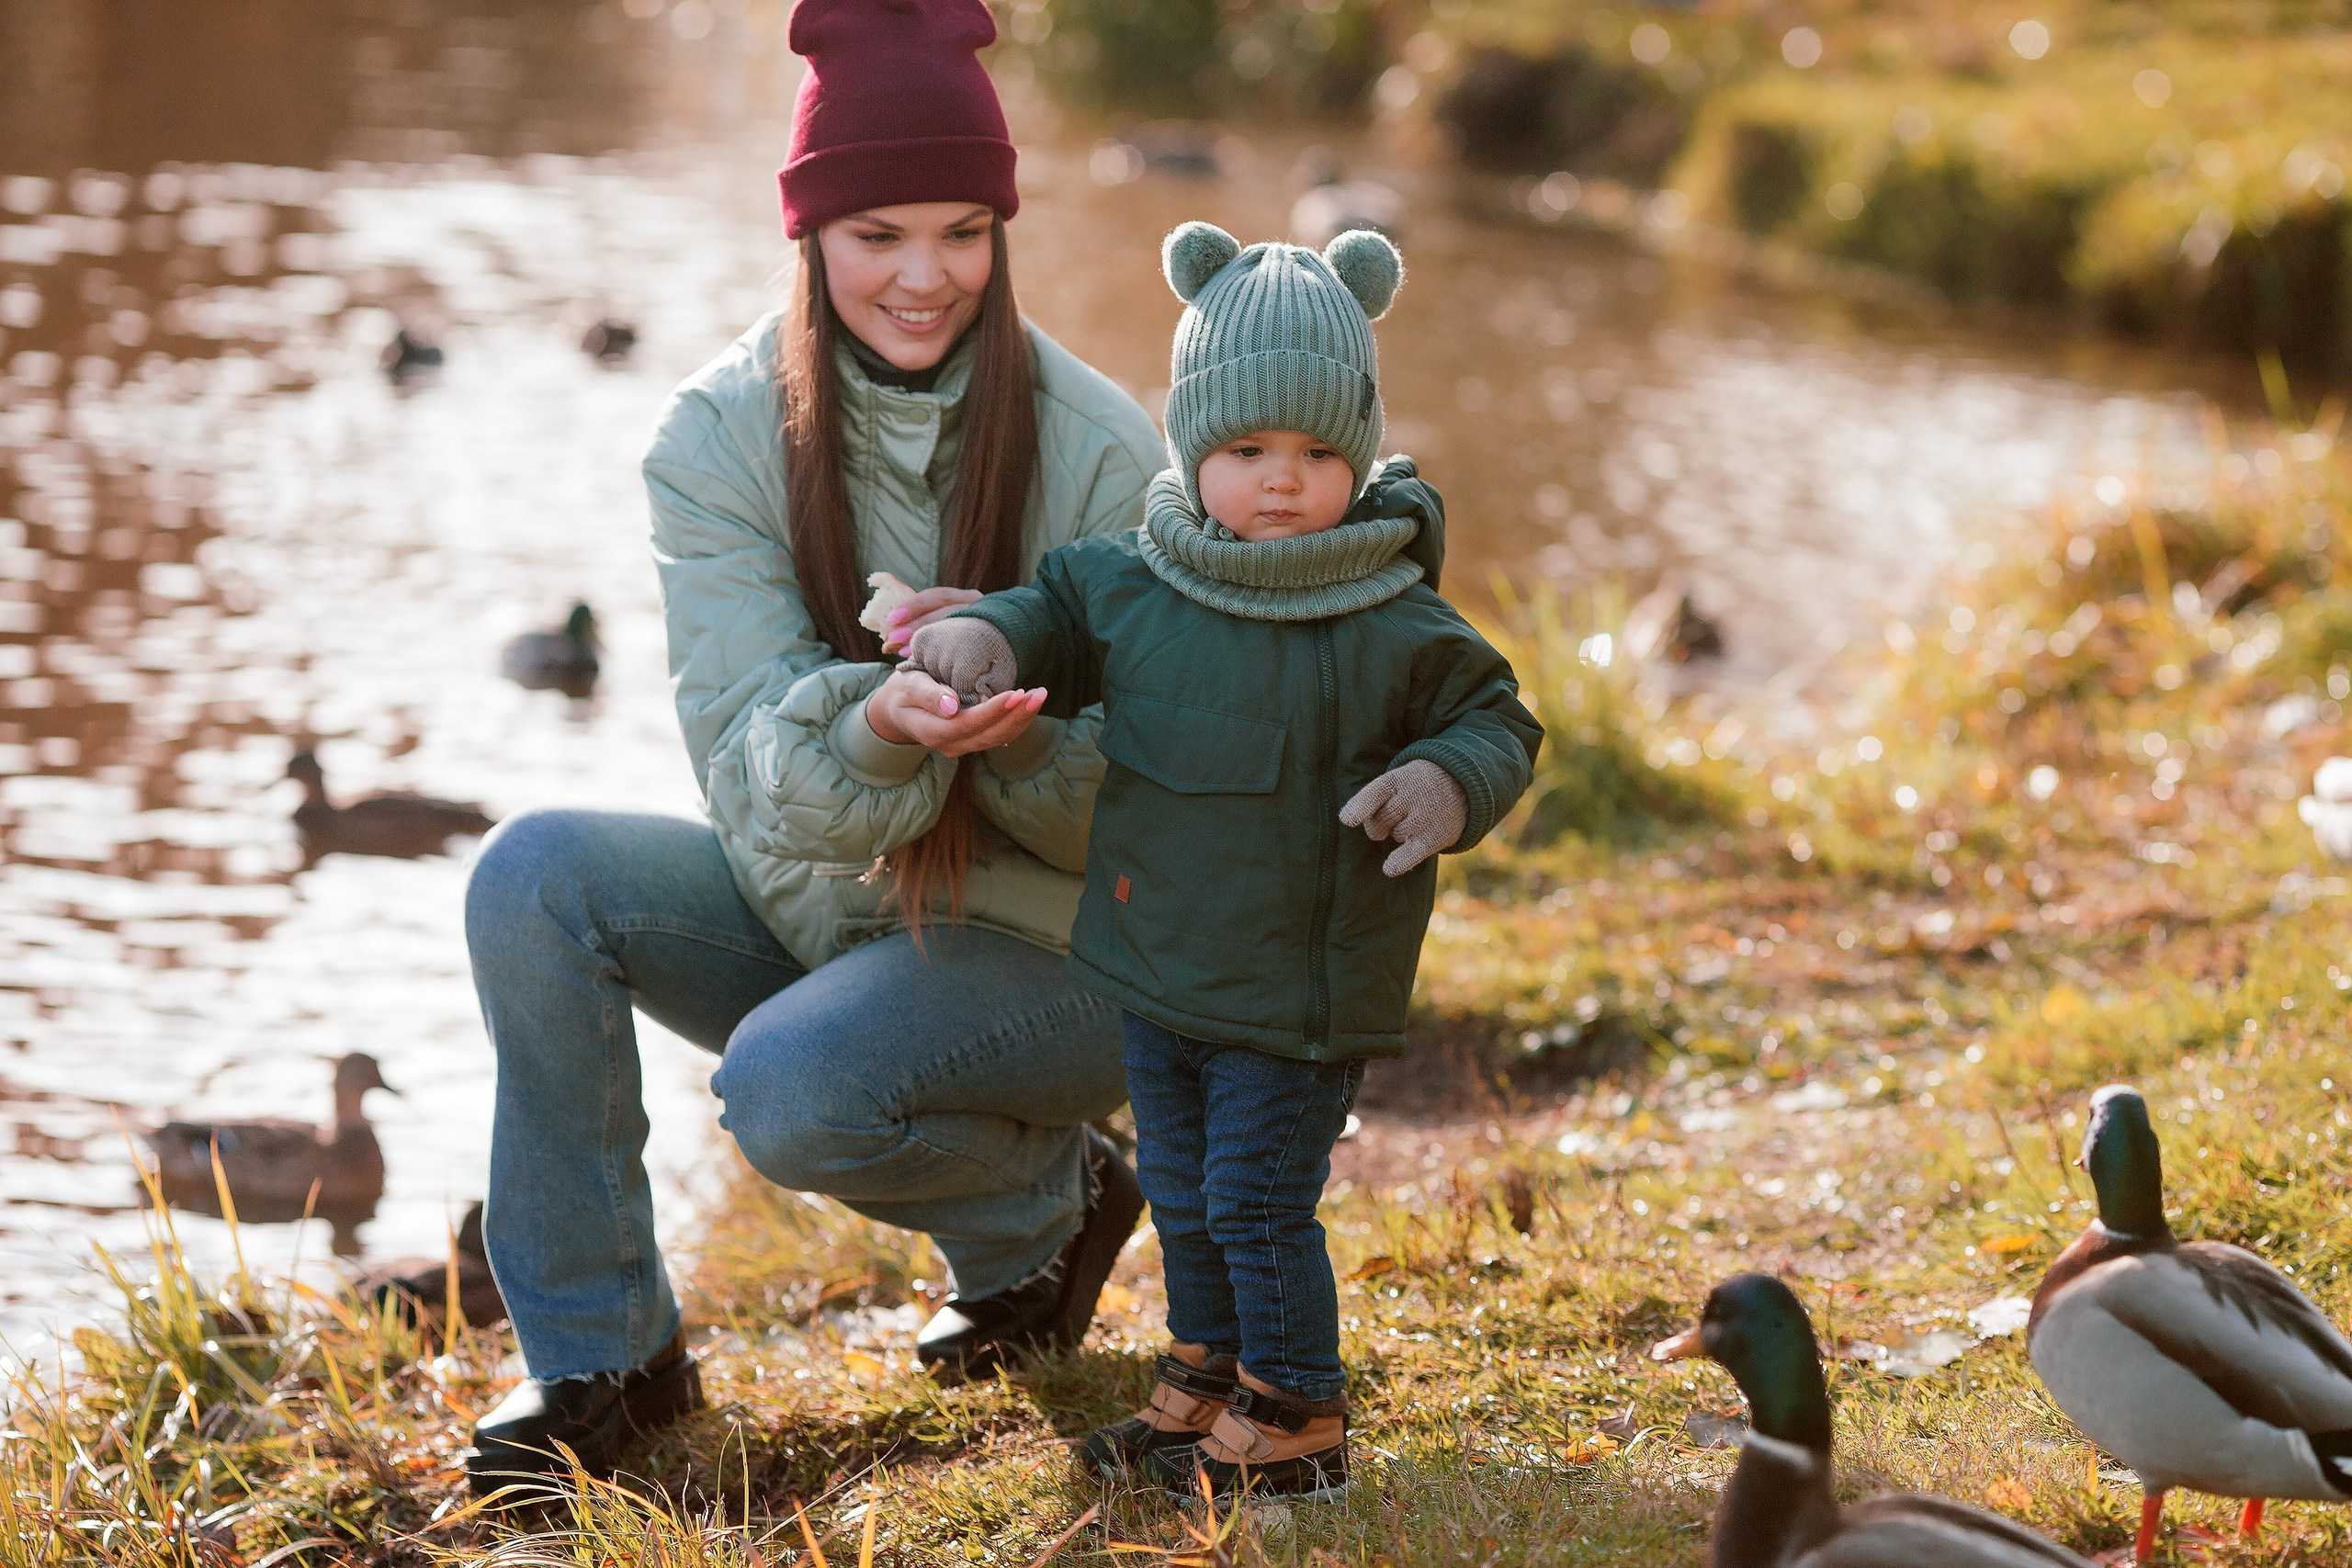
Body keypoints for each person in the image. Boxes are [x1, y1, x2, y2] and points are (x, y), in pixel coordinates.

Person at [458, 0, 1162, 1494]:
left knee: (792, 1091)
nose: (926, 277)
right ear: (808, 235)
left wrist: (1020, 738)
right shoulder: (714, 438)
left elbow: (1156, 820)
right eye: (879, 235)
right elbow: (742, 771)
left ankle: (1043, 1203)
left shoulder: (1105, 453)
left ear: (1003, 231)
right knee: (535, 878)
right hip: (826, 899)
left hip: (1071, 948)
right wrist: (879, 724)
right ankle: (606, 1364)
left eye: (964, 233)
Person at [908, 221, 1543, 1500]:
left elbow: (1497, 719)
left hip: (1299, 991)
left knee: (1256, 1198)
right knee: (1185, 1191)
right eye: (1245, 450)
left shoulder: (1389, 614)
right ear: (1194, 444)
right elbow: (1053, 615)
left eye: (1316, 453)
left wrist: (1447, 780)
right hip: (1162, 966)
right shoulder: (1136, 584)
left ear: (1358, 457)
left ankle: (1298, 1415)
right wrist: (986, 633)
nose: (1279, 481)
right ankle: (1204, 1380)